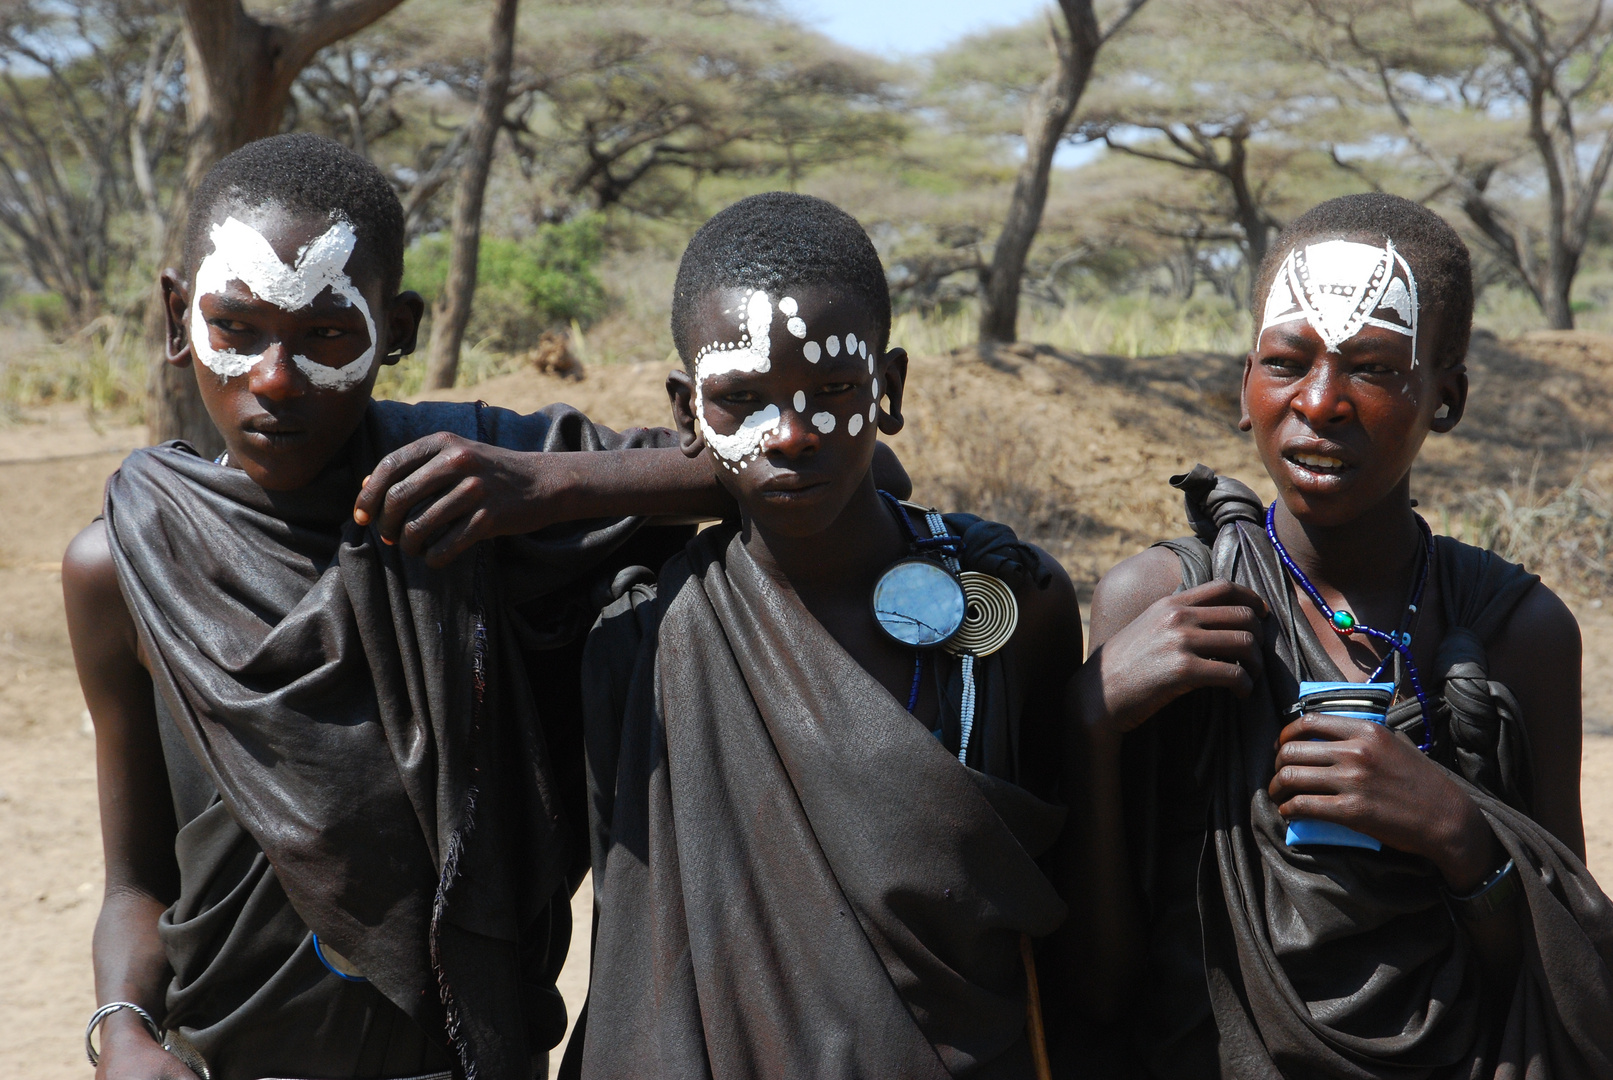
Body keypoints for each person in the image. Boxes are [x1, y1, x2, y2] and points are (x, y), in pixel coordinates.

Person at [63, 132, 754, 1080]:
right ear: (179, 319)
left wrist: (548, 487)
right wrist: (125, 1033)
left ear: (400, 330)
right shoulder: (122, 562)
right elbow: (137, 881)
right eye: (238, 329)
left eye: (329, 336)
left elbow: (836, 469)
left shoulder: (469, 485)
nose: (275, 378)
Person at [1077, 193, 1613, 1078]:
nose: (1319, 403)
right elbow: (1097, 989)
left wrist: (1460, 837)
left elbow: (1571, 979)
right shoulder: (1158, 603)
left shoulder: (1517, 632)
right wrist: (1090, 723)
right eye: (1285, 361)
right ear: (1242, 382)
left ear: (1448, 395)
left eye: (1370, 369)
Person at [570, 192, 1088, 1080]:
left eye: (834, 392)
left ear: (887, 390)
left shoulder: (1013, 602)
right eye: (742, 401)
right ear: (690, 411)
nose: (794, 434)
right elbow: (634, 920)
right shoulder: (643, 640)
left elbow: (1068, 905)